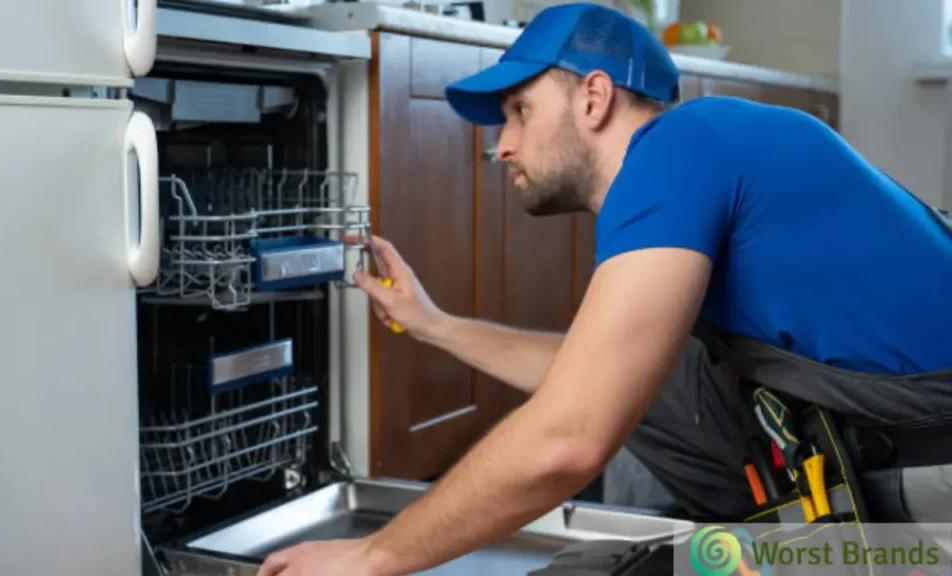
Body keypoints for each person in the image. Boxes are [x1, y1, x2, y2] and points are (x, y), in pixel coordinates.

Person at [257, 2, 952, 575]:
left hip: (931, 489)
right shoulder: (709, 144)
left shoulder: (677, 153)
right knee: (667, 380)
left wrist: (373, 556)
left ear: (594, 95)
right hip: (883, 435)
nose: (500, 145)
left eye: (520, 111)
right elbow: (590, 380)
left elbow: (570, 436)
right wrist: (431, 322)